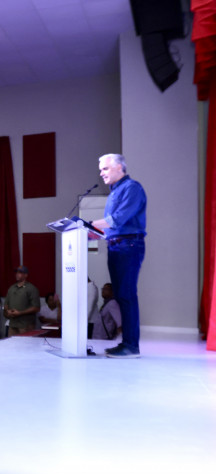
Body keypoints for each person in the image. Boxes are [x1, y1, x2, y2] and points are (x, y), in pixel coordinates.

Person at [90, 153, 146, 358]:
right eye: (100, 170)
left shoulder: (132, 188)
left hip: (127, 245)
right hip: (115, 246)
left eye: (105, 169)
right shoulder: (114, 193)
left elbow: (118, 219)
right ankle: (126, 343)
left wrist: (89, 225)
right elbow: (110, 226)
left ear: (119, 168)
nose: (101, 173)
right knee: (121, 296)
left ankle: (131, 346)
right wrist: (89, 232)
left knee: (127, 295)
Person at [3, 266, 40, 335]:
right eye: (16, 272)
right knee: (11, 342)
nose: (17, 274)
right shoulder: (11, 288)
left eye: (20, 272)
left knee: (25, 342)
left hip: (26, 325)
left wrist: (20, 313)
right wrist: (7, 311)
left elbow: (36, 308)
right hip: (12, 325)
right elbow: (6, 305)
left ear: (26, 275)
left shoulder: (31, 288)